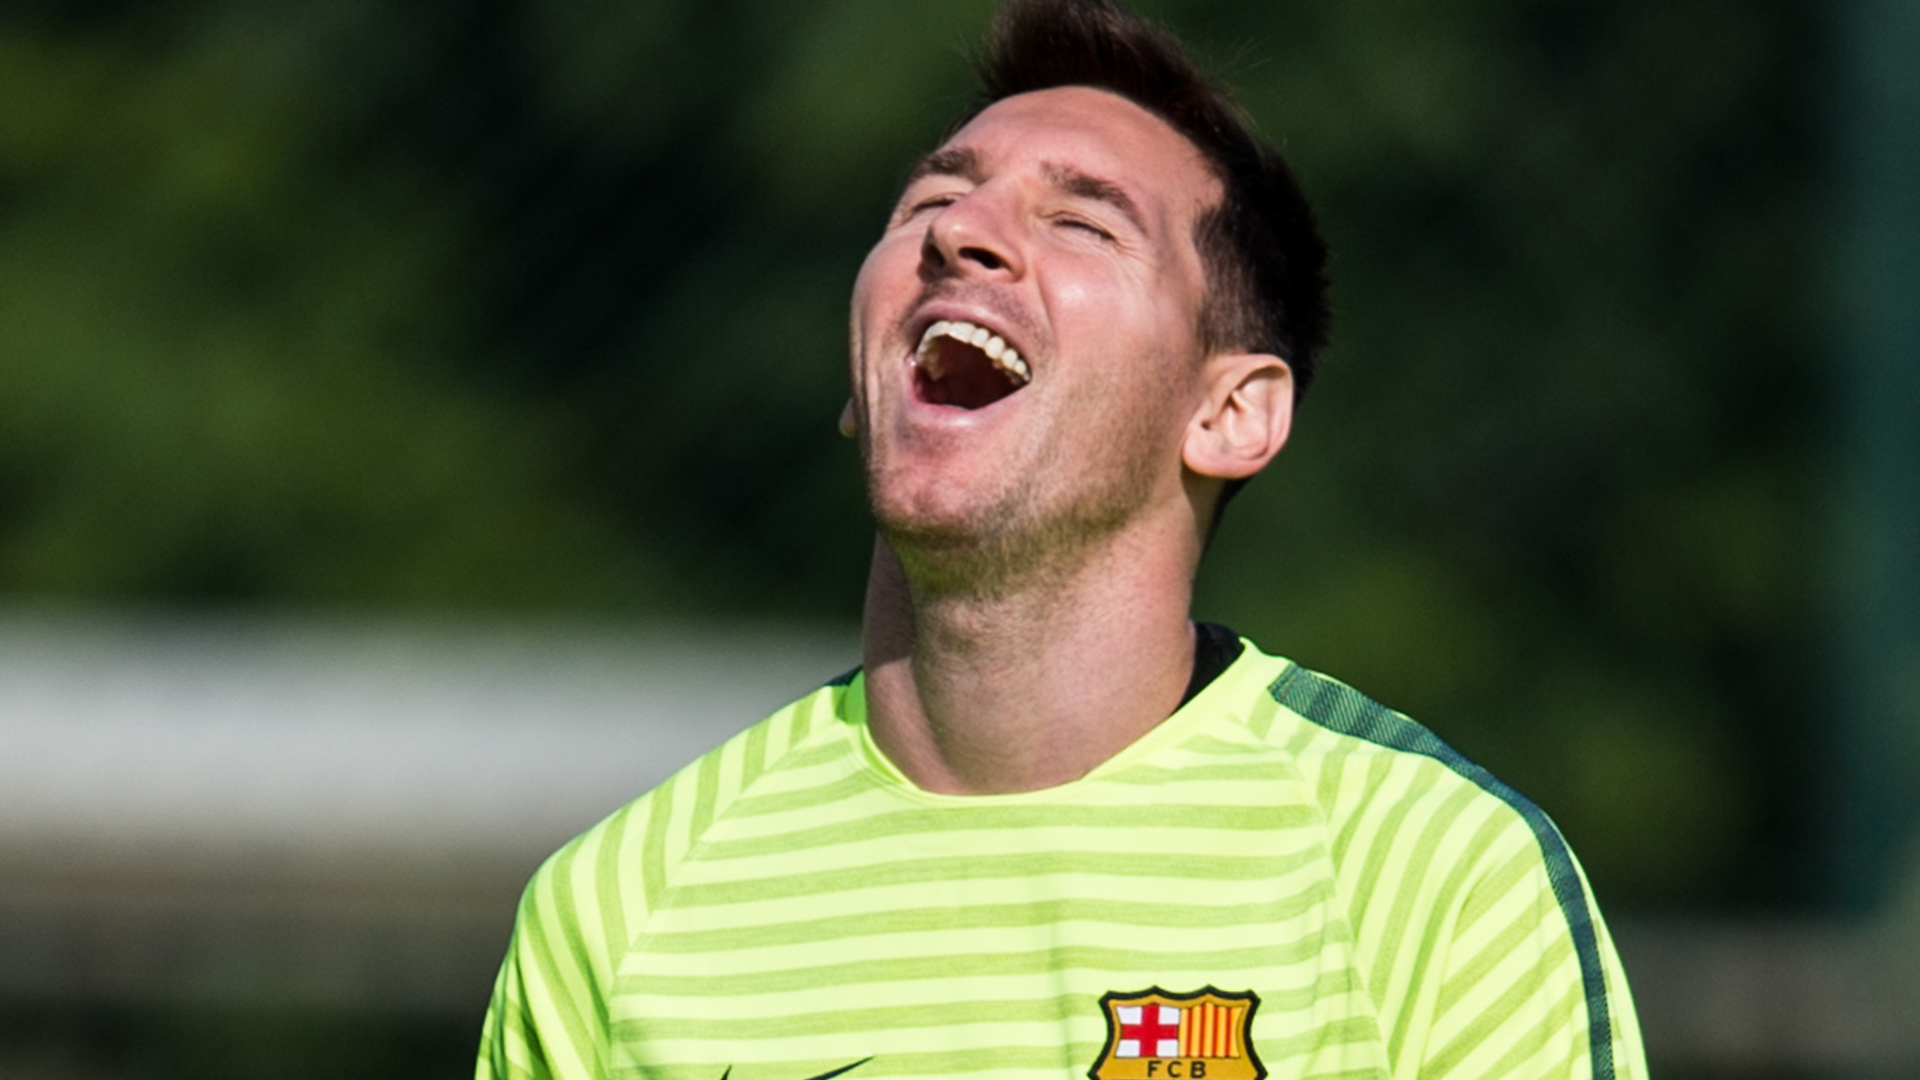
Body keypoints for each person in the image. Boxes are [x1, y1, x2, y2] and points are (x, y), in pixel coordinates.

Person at [475, 0, 1647, 1077]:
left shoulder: (1440, 878)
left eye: (1083, 222)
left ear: (1230, 415)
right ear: (859, 388)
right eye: (928, 205)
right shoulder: (617, 910)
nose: (961, 235)